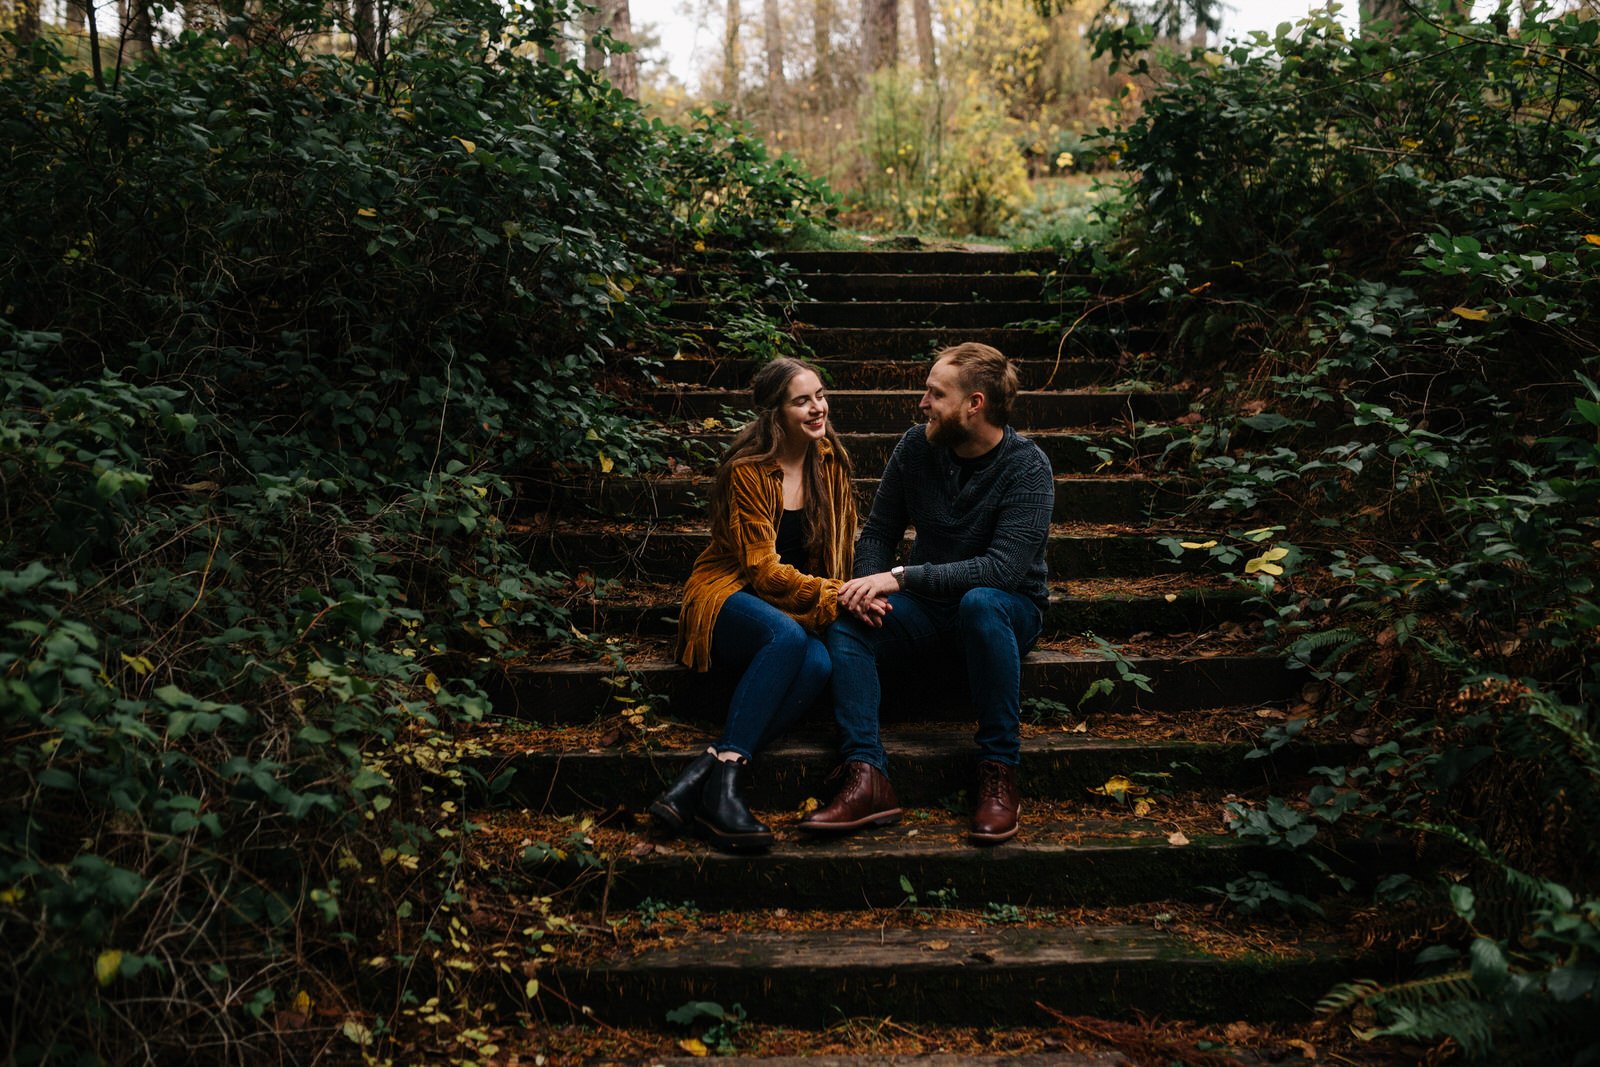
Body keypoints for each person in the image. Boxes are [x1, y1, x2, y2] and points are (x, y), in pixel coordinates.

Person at [799, 342, 1053, 845]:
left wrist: (903, 577)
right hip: (929, 611)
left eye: (935, 394)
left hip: (1006, 610)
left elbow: (1001, 569)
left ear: (973, 404)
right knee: (847, 615)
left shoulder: (1028, 467)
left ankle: (999, 770)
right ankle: (866, 773)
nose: (922, 403)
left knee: (980, 602)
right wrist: (871, 590)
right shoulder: (917, 446)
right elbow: (877, 533)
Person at [650, 356, 885, 852]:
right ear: (775, 414)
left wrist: (850, 590)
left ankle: (702, 773)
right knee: (788, 637)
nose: (818, 408)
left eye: (820, 395)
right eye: (802, 401)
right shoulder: (748, 472)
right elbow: (760, 569)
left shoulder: (832, 463)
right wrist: (835, 596)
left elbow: (839, 550)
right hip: (729, 592)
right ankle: (727, 783)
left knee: (819, 663)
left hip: (792, 603)